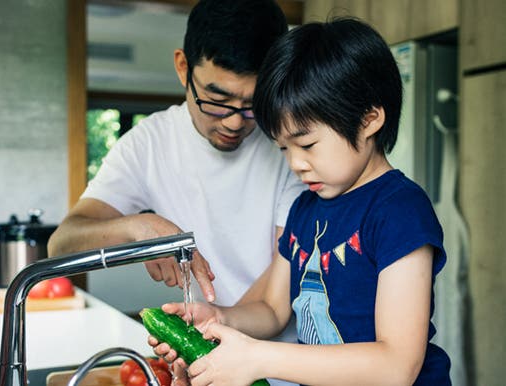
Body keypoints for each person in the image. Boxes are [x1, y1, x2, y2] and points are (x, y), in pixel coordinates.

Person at [150, 18, 451, 385]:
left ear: (369, 119)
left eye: (307, 145)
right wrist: (218, 319)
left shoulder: (399, 209)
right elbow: (273, 310)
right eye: (283, 148)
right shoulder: (305, 209)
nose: (295, 164)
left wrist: (259, 358)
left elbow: (396, 365)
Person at [48, 0, 303, 309]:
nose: (234, 121)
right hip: (216, 341)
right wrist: (137, 228)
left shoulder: (292, 141)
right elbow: (61, 245)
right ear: (183, 68)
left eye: (253, 104)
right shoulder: (149, 143)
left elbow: (284, 282)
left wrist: (218, 328)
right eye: (217, 100)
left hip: (291, 347)